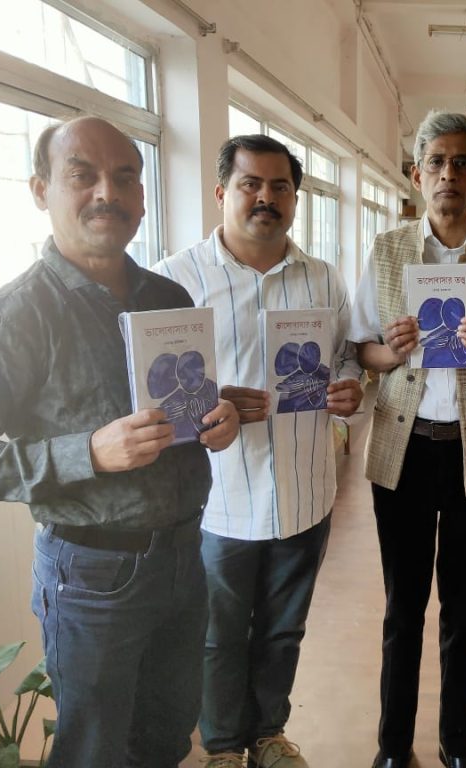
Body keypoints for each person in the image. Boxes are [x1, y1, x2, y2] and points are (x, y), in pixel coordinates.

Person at [0, 116, 240, 767]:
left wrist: (216, 421)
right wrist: (87, 453)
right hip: (92, 577)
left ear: (141, 197)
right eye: (83, 175)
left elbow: (184, 414)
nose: (108, 192)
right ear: (40, 189)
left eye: (125, 177)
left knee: (166, 737)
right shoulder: (12, 317)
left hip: (185, 554)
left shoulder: (168, 297)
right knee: (92, 752)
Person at [154, 134, 363, 768]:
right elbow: (151, 394)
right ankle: (222, 747)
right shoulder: (175, 280)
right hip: (220, 499)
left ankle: (269, 733)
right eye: (251, 184)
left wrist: (349, 388)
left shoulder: (322, 278)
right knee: (217, 635)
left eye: (280, 187)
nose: (265, 198)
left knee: (283, 628)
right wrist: (207, 403)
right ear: (222, 191)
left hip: (305, 488)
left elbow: (346, 357)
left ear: (295, 199)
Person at [348, 109, 466, 768]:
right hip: (403, 450)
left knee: (464, 608)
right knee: (403, 607)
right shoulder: (386, 251)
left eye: (462, 163)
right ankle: (393, 747)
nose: (448, 173)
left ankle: (459, 745)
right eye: (437, 162)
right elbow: (363, 349)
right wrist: (391, 351)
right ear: (416, 174)